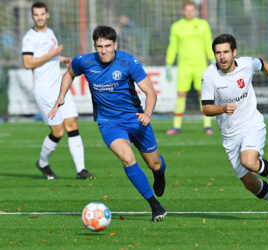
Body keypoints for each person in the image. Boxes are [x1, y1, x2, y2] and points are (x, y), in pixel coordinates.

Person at [48, 25, 167, 222]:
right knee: (127, 158)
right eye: (99, 46)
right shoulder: (84, 61)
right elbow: (69, 73)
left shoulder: (128, 62)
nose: (103, 50)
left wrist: (147, 113)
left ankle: (159, 172)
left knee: (154, 163)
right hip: (109, 123)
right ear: (95, 46)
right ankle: (155, 206)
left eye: (108, 46)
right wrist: (61, 95)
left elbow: (150, 92)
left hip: (136, 119)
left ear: (115, 45)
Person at [201, 34, 268, 220]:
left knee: (249, 161)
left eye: (226, 52)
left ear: (234, 53)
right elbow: (206, 109)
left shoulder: (246, 64)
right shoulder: (209, 75)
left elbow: (263, 65)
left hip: (251, 124)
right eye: (218, 53)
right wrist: (222, 108)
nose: (222, 57)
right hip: (229, 135)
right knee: (250, 184)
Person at [22, 2, 94, 180]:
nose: (39, 18)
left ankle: (81, 170)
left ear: (47, 15)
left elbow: (49, 56)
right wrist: (50, 55)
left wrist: (61, 58)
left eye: (42, 14)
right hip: (44, 90)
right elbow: (27, 63)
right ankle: (42, 163)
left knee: (72, 124)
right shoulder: (29, 38)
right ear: (33, 17)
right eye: (36, 15)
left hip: (59, 88)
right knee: (58, 132)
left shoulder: (50, 32)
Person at [165, 0, 216, 135]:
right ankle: (176, 126)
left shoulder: (202, 25)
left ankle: (207, 126)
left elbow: (208, 42)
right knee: (181, 94)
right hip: (184, 66)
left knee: (203, 94)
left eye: (191, 10)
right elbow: (173, 46)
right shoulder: (177, 26)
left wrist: (212, 59)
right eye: (187, 10)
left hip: (200, 66)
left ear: (195, 11)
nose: (189, 12)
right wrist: (169, 64)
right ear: (183, 11)